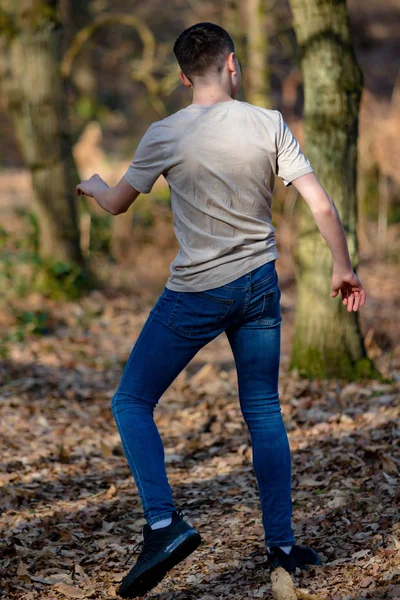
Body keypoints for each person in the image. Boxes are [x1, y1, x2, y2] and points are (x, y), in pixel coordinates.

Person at [76, 21, 367, 599]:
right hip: (259, 283)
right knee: (263, 409)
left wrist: (91, 184)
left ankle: (164, 525)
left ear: (183, 76)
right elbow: (318, 200)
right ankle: (280, 546)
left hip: (197, 292)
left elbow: (115, 205)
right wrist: (342, 265)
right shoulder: (269, 123)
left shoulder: (164, 133)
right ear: (232, 64)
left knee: (131, 401)